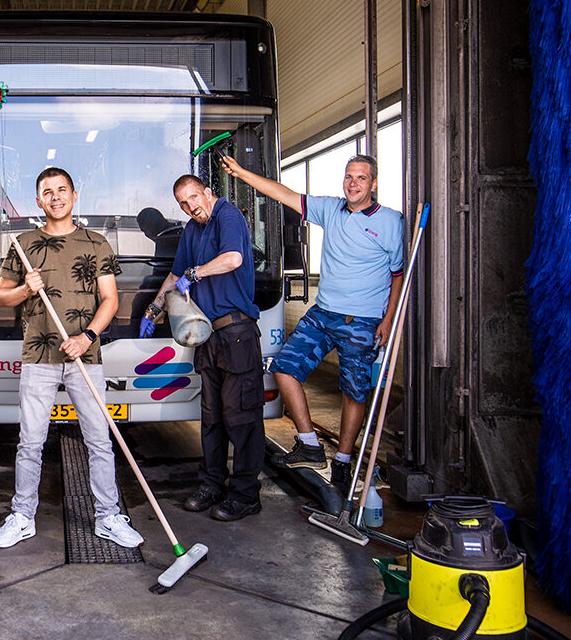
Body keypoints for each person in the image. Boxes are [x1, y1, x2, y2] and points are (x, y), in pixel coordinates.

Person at [219, 153, 403, 497]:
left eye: (361, 178)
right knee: (284, 368)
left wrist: (389, 319)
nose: (353, 183)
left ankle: (343, 461)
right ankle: (310, 445)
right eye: (349, 176)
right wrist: (242, 174)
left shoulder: (392, 222)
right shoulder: (330, 209)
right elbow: (282, 193)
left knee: (354, 392)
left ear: (374, 184)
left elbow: (398, 276)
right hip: (323, 313)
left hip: (362, 320)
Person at [0, 167, 143, 550]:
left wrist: (86, 336)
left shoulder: (96, 243)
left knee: (99, 441)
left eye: (62, 190)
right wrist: (26, 289)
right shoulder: (24, 244)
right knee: (30, 443)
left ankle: (108, 517)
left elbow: (111, 300)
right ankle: (22, 517)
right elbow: (0, 297)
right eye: (47, 192)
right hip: (38, 356)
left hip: (85, 358)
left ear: (74, 195)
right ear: (38, 201)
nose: (55, 197)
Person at [141, 174, 265, 522]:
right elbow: (174, 275)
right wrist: (154, 309)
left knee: (241, 417)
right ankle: (211, 485)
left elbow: (233, 259)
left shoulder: (228, 215)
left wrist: (195, 274)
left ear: (207, 193)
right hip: (207, 336)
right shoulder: (192, 230)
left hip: (237, 332)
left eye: (193, 197)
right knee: (212, 418)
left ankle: (245, 495)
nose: (190, 206)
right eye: (183, 203)